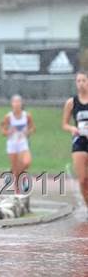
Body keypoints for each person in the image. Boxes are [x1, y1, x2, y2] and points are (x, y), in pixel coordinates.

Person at [62, 70, 88, 208]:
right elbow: (64, 124)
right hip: (80, 141)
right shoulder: (71, 102)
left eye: (84, 80)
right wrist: (73, 129)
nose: (81, 84)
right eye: (79, 81)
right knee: (83, 180)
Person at [0, 95, 35, 194]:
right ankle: (18, 192)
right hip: (12, 144)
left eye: (18, 102)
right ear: (12, 104)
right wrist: (8, 132)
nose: (16, 104)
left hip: (23, 143)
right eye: (14, 102)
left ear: (21, 103)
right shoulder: (8, 117)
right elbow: (2, 130)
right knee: (16, 171)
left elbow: (32, 128)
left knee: (26, 162)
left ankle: (11, 172)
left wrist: (28, 132)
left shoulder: (27, 115)